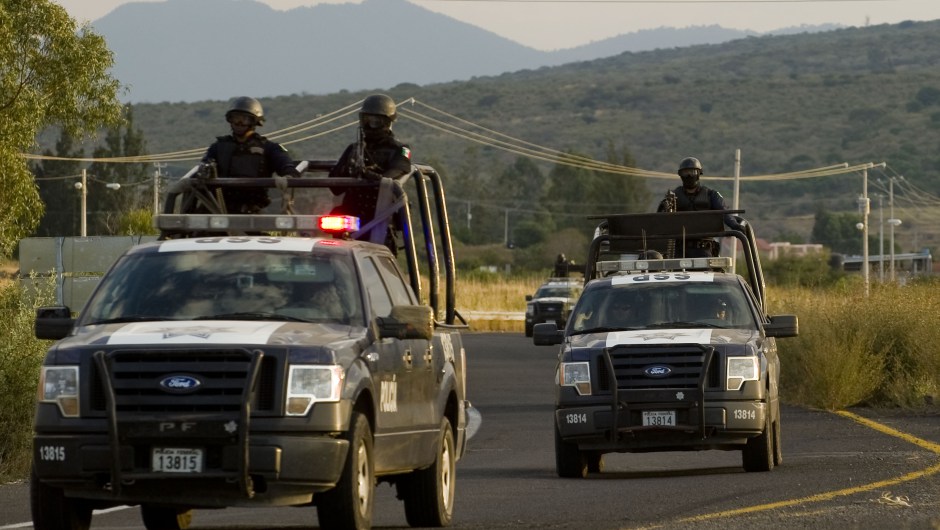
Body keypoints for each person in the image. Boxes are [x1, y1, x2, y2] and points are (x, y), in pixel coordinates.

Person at [202, 96, 300, 214]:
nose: (239, 123)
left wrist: (288, 175)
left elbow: (288, 168)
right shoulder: (218, 147)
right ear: (230, 120)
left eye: (244, 119)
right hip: (218, 209)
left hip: (254, 210)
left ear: (254, 121)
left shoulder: (269, 148)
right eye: (235, 118)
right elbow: (203, 170)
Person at [329, 94, 413, 227]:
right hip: (352, 218)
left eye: (375, 121)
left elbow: (397, 171)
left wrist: (373, 176)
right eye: (366, 120)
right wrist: (348, 170)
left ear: (387, 122)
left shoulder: (399, 149)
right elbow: (335, 188)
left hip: (381, 217)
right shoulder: (354, 148)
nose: (369, 125)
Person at [657, 157, 743, 256]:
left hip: (704, 249)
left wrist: (735, 225)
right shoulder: (673, 197)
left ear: (699, 173)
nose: (689, 176)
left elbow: (724, 212)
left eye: (692, 172)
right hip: (680, 250)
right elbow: (661, 219)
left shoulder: (711, 195)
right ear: (680, 175)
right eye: (686, 173)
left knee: (709, 270)